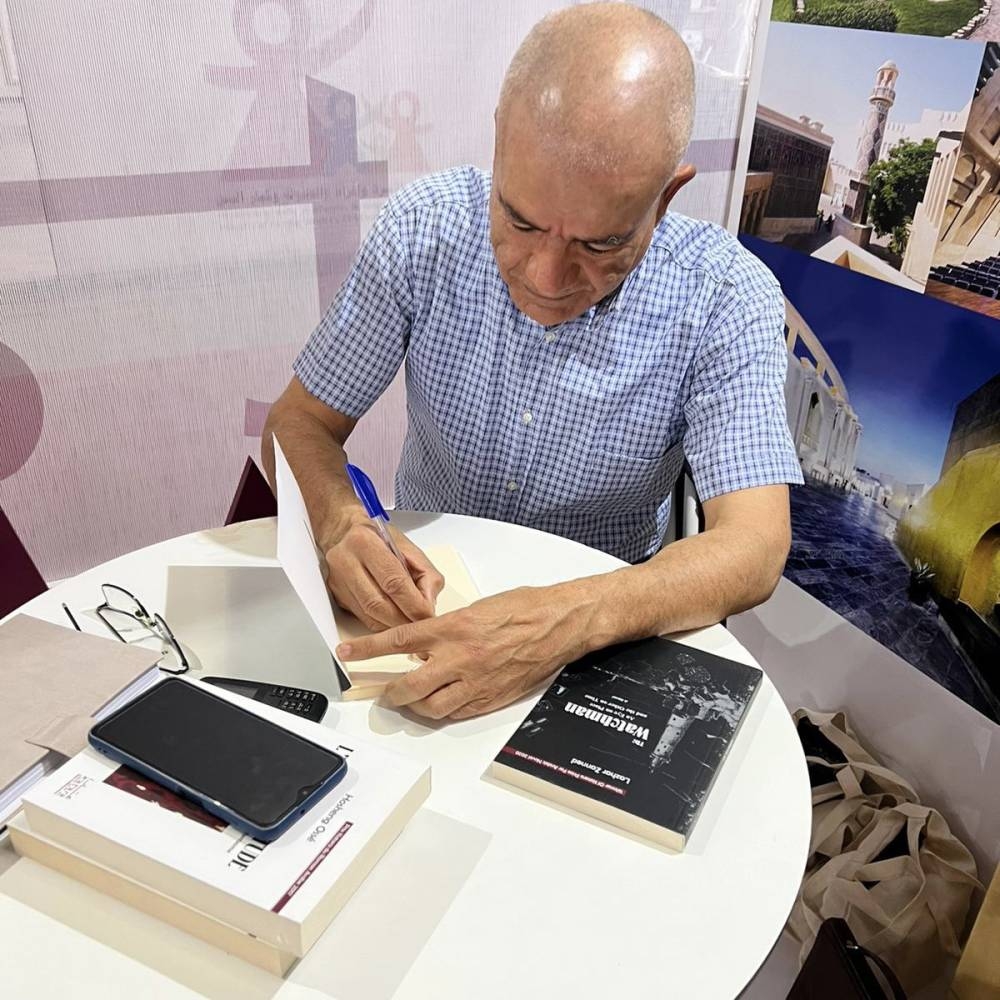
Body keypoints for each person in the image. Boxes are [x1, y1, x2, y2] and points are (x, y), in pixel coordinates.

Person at [262, 2, 803, 722]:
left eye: (601, 245)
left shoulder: (725, 297)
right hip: (424, 600)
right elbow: (298, 422)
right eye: (518, 220)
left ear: (667, 196)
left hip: (602, 636)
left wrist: (564, 621)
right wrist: (336, 522)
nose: (545, 279)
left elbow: (756, 546)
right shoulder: (423, 231)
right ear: (499, 141)